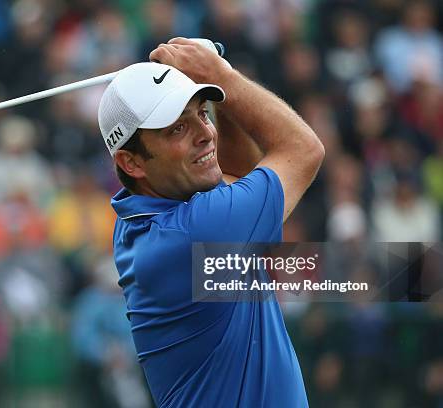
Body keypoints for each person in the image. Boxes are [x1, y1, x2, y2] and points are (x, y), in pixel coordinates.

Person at [97, 38, 325, 407]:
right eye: (176, 129)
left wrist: (219, 89)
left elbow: (236, 174)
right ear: (132, 163)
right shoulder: (197, 233)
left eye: (202, 113)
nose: (205, 134)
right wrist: (223, 76)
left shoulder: (142, 219)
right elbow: (304, 150)